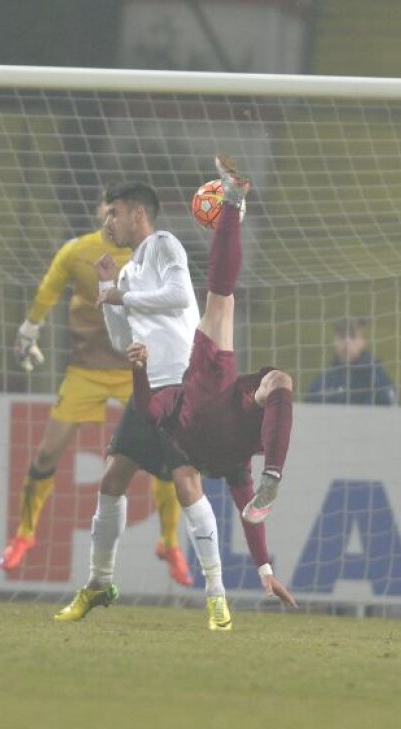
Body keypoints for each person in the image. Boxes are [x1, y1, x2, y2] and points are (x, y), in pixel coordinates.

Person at [128, 154, 299, 605]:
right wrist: (263, 566)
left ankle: (232, 210)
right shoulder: (223, 457)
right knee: (234, 319)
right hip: (219, 406)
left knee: (236, 320)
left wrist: (140, 374)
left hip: (218, 413)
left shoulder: (221, 458)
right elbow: (250, 513)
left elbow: (249, 511)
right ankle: (233, 207)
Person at [0, 189, 191, 589]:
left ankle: (170, 543)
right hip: (85, 370)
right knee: (48, 452)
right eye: (107, 211)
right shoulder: (77, 251)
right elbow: (49, 290)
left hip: (134, 371)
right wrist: (29, 330)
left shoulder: (147, 255)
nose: (110, 219)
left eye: (116, 212)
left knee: (168, 456)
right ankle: (24, 534)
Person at [304, 317, 397, 405]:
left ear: (362, 341)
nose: (346, 342)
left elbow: (391, 411)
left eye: (352, 336)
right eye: (342, 336)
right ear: (334, 341)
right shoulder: (323, 381)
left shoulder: (376, 377)